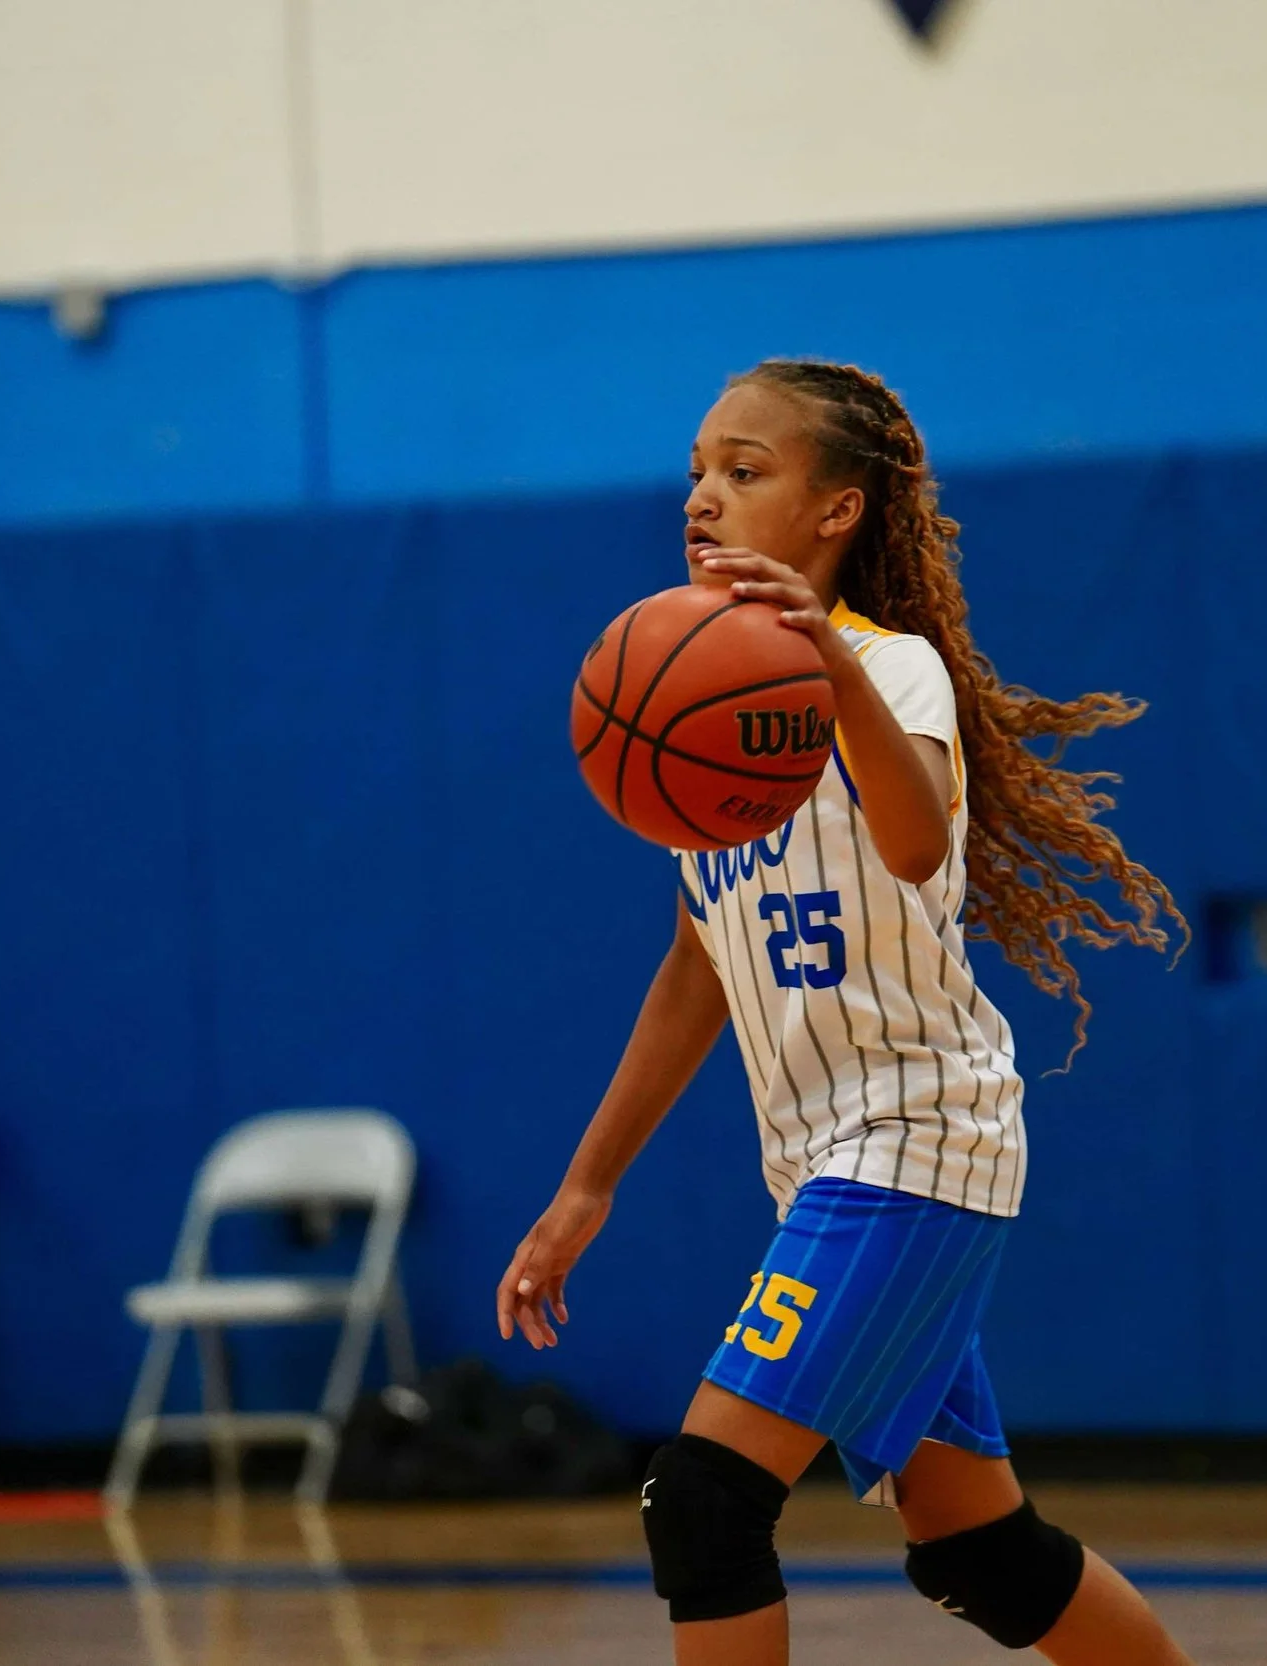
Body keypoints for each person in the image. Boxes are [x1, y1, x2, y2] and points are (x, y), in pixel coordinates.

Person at [498, 359, 1192, 1666]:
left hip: (914, 1143)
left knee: (703, 1497)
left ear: (837, 512)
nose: (705, 494)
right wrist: (589, 1184)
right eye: (698, 467)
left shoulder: (889, 668)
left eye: (746, 470)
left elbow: (921, 840)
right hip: (826, 1162)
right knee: (976, 1550)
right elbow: (697, 960)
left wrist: (825, 653)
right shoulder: (694, 691)